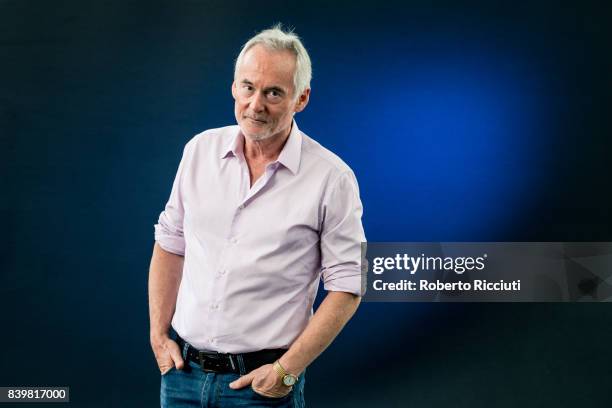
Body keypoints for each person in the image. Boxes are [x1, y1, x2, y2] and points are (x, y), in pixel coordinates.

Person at [148, 24, 365, 407]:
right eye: (248, 87)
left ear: (302, 98)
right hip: (181, 377)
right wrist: (158, 334)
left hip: (261, 387)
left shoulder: (332, 179)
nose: (255, 104)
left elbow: (347, 287)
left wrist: (286, 371)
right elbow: (170, 243)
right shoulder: (199, 151)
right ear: (234, 87)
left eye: (273, 93)